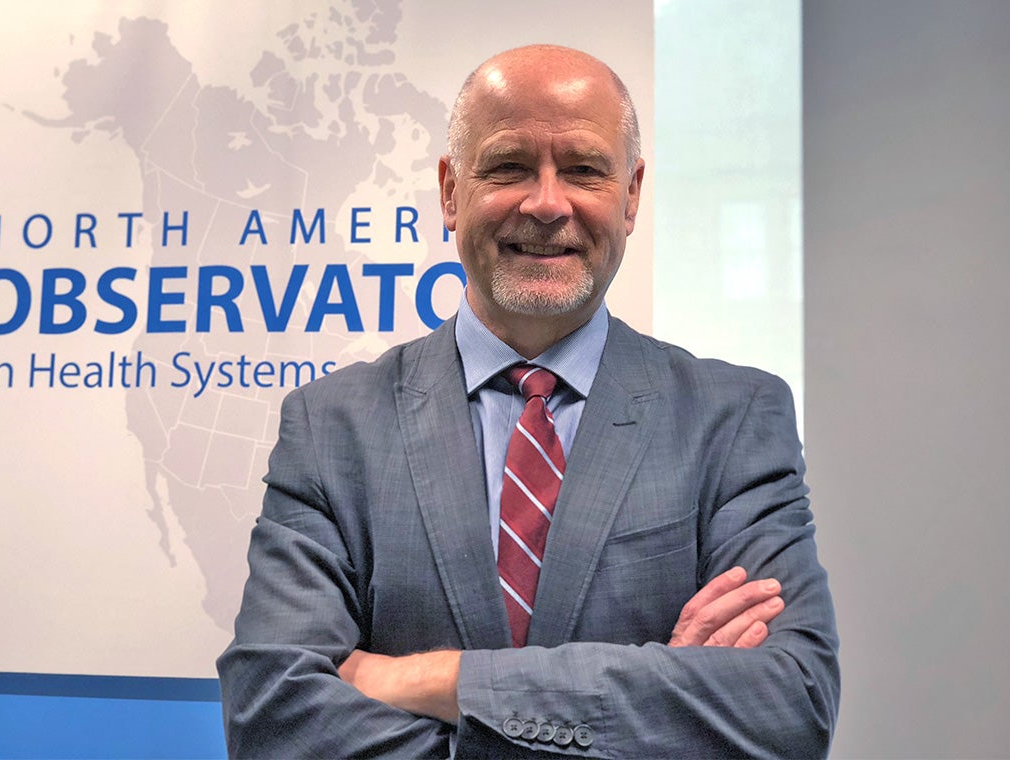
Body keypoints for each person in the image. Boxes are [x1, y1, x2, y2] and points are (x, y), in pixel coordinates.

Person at [218, 44, 839, 758]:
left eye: (584, 170)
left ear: (631, 194)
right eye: (509, 166)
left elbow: (788, 707)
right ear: (450, 191)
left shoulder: (734, 419)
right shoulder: (331, 426)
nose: (546, 203)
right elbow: (272, 717)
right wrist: (650, 701)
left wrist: (436, 679)